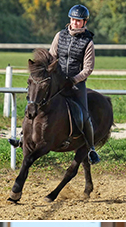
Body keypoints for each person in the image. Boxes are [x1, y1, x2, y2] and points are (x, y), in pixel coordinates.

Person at [50, 5, 100, 164]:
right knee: (37, 102)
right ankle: (24, 137)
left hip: (76, 84)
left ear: (84, 22)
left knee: (85, 116)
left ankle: (91, 149)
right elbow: (52, 57)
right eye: (72, 20)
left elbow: (88, 69)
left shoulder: (88, 42)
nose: (74, 23)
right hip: (58, 81)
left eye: (78, 21)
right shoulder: (60, 35)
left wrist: (72, 80)